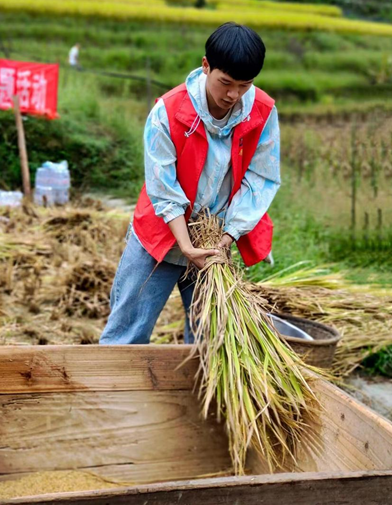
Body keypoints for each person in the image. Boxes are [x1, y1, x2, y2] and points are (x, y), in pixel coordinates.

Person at [100, 23, 280, 345]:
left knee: (210, 338)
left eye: (244, 85)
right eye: (225, 83)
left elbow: (260, 178)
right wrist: (185, 245)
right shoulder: (168, 111)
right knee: (126, 333)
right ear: (205, 65)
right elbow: (162, 186)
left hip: (214, 241)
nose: (233, 95)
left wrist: (227, 237)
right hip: (159, 236)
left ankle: (198, 393)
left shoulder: (262, 111)